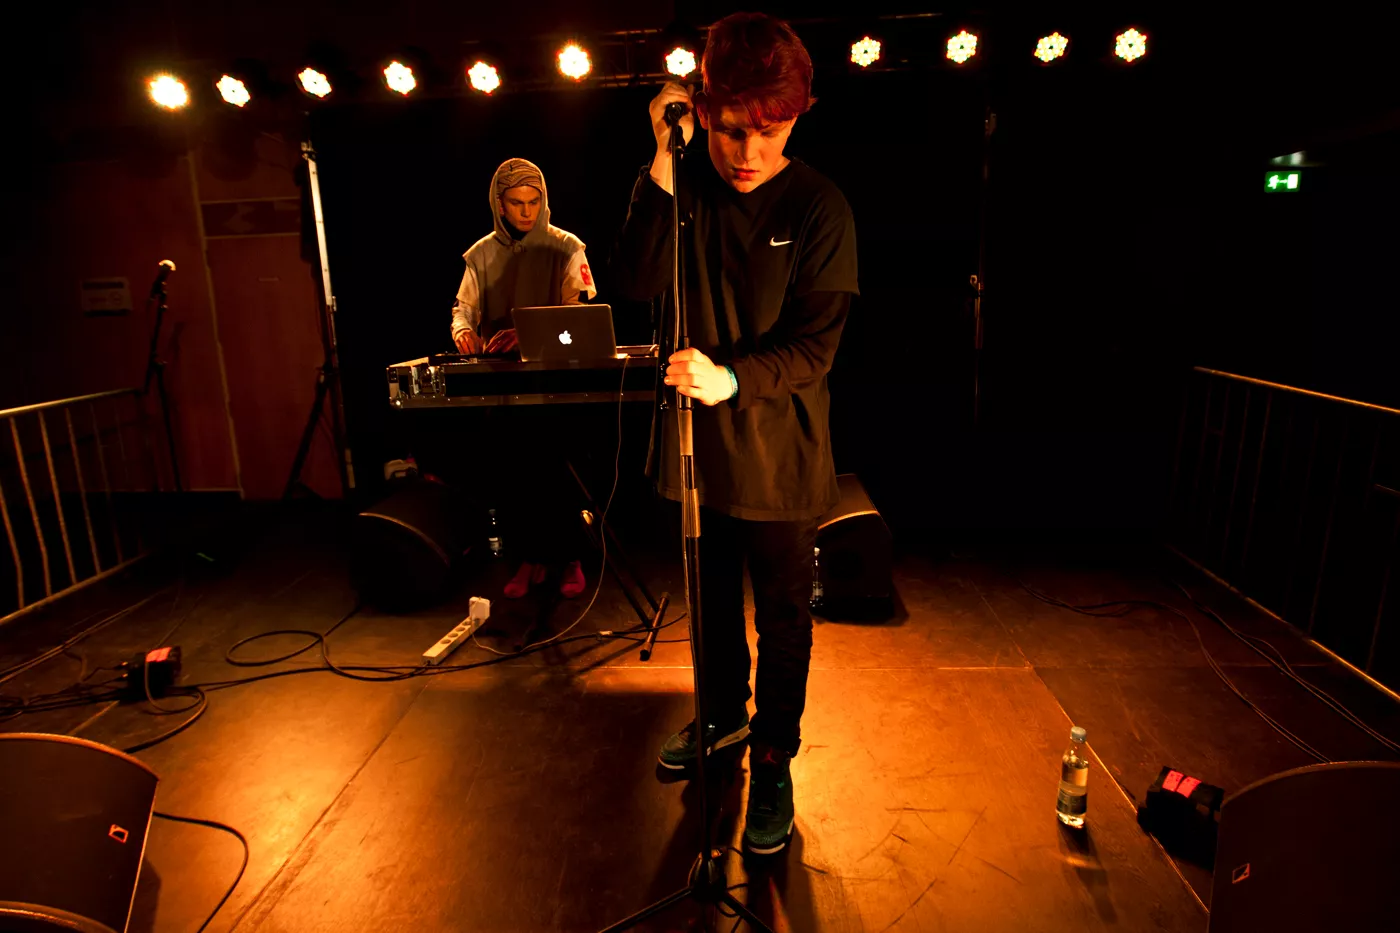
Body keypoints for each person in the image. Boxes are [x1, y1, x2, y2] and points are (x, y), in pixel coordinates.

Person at [612, 12, 858, 855]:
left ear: (798, 117)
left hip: (781, 454)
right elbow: (635, 276)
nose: (749, 152)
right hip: (697, 453)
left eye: (771, 132)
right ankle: (721, 718)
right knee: (711, 605)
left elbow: (816, 346)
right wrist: (663, 156)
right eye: (729, 130)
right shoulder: (683, 188)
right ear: (702, 110)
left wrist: (731, 378)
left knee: (783, 617)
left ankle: (775, 755)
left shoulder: (820, 206)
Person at [450, 158, 598, 599]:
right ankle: (529, 559)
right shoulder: (480, 254)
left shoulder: (566, 246)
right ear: (500, 204)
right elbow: (463, 308)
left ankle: (570, 558)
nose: (527, 211)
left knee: (562, 473)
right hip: (505, 383)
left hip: (555, 380)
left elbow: (579, 310)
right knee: (514, 474)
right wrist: (462, 330)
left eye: (534, 201)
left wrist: (528, 332)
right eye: (517, 203)